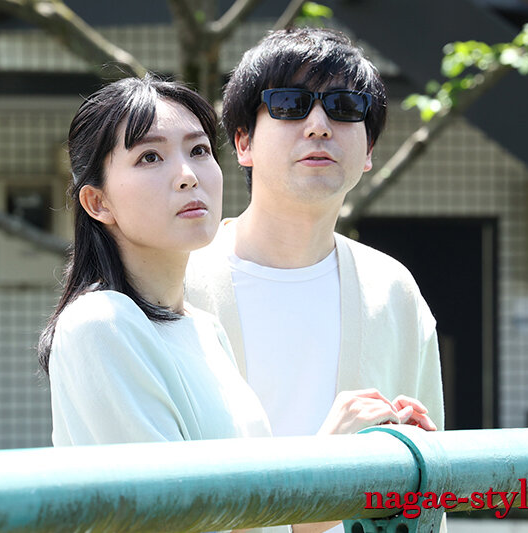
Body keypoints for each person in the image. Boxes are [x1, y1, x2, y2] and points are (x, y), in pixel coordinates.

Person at [186, 28, 445, 532]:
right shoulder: (179, 283)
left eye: (345, 107)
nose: (319, 125)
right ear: (243, 143)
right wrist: (318, 488)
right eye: (289, 104)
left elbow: (429, 479)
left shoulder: (392, 290)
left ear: (368, 151)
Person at [38, 76, 272, 447]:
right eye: (150, 157)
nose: (188, 176)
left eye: (199, 150)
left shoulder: (205, 327)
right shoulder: (100, 322)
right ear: (98, 202)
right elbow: (173, 485)